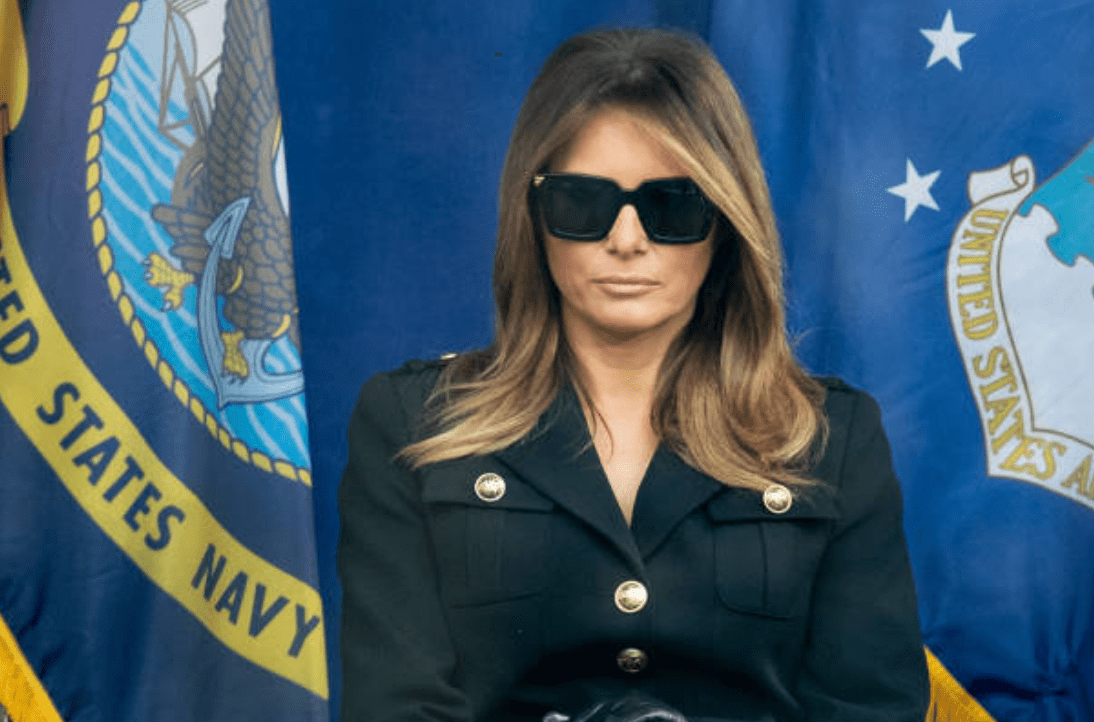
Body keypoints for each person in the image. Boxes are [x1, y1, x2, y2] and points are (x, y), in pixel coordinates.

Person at [338, 27, 929, 722]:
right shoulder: (412, 424)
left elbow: (869, 710)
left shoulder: (831, 440)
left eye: (672, 206)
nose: (626, 240)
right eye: (583, 203)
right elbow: (396, 709)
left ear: (726, 222)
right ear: (533, 215)